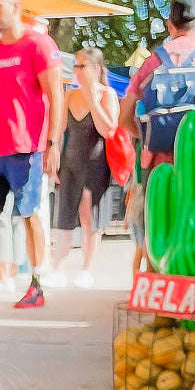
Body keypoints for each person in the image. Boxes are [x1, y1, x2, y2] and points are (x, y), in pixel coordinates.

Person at [0, 0, 64, 310]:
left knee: (29, 216)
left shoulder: (38, 44)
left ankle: (37, 283)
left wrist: (53, 144)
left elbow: (56, 96)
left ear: (15, 6)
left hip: (26, 150)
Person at [118, 0, 195, 172]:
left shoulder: (152, 62)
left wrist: (149, 137)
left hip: (160, 170)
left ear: (169, 25)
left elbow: (123, 118)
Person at [47, 45, 119, 289]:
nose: (76, 70)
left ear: (95, 69)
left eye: (81, 66)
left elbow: (108, 130)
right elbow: (60, 129)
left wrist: (92, 98)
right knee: (64, 213)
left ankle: (86, 269)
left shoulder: (106, 94)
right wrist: (53, 153)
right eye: (75, 65)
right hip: (70, 161)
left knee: (89, 213)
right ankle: (57, 267)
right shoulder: (69, 96)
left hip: (95, 163)